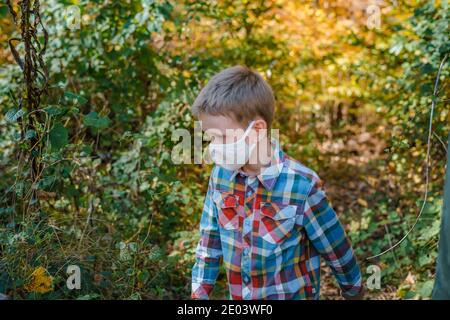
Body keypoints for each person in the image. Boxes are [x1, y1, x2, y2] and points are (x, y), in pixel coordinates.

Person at [190, 65, 363, 300]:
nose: (215, 147)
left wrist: (354, 292)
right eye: (211, 138)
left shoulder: (302, 186)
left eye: (222, 137)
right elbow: (208, 244)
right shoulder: (220, 178)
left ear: (258, 130)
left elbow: (336, 250)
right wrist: (199, 293)